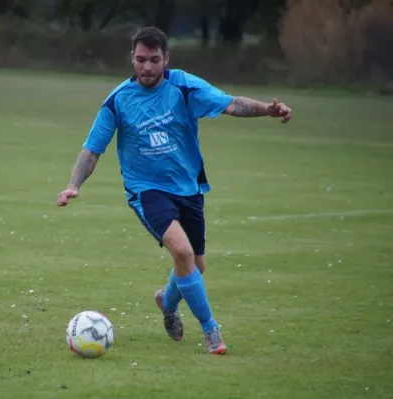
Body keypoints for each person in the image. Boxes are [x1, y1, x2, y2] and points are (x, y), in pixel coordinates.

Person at [56, 26, 292, 355]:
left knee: (196, 264)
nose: (147, 67)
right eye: (141, 60)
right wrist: (73, 185)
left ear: (166, 58)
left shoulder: (183, 86)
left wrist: (267, 109)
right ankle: (212, 332)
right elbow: (92, 150)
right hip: (147, 190)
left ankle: (167, 302)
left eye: (154, 60)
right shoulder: (118, 101)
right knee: (182, 254)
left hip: (188, 187)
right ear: (132, 59)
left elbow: (231, 104)